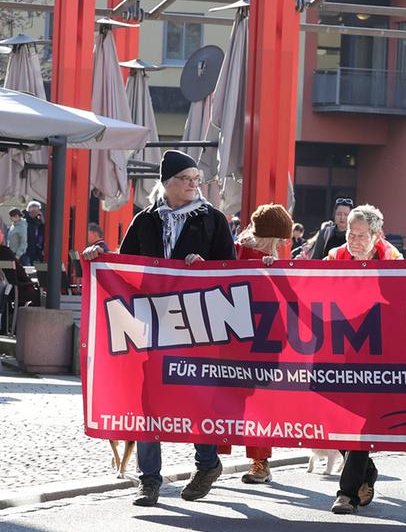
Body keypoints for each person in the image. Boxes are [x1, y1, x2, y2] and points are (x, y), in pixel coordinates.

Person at [81, 149, 235, 507]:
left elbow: (230, 269)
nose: (194, 185)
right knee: (148, 401)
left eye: (198, 179)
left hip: (198, 327)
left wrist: (206, 267)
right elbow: (126, 266)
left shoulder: (212, 220)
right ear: (167, 183)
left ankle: (207, 463)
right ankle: (149, 480)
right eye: (186, 179)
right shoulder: (145, 220)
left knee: (197, 400)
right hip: (150, 323)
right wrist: (98, 257)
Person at [328, 205, 403, 515]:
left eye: (361, 236)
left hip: (376, 354)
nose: (354, 241)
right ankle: (367, 471)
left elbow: (402, 304)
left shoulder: (393, 261)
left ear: (377, 235)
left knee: (359, 424)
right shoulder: (334, 257)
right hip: (338, 351)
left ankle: (346, 494)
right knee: (333, 418)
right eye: (350, 234)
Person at [228, 204, 294, 484]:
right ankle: (255, 462)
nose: (280, 245)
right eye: (279, 240)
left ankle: (250, 461)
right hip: (246, 337)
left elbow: (289, 297)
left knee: (249, 402)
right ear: (269, 236)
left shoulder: (266, 257)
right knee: (251, 404)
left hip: (257, 338)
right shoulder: (241, 253)